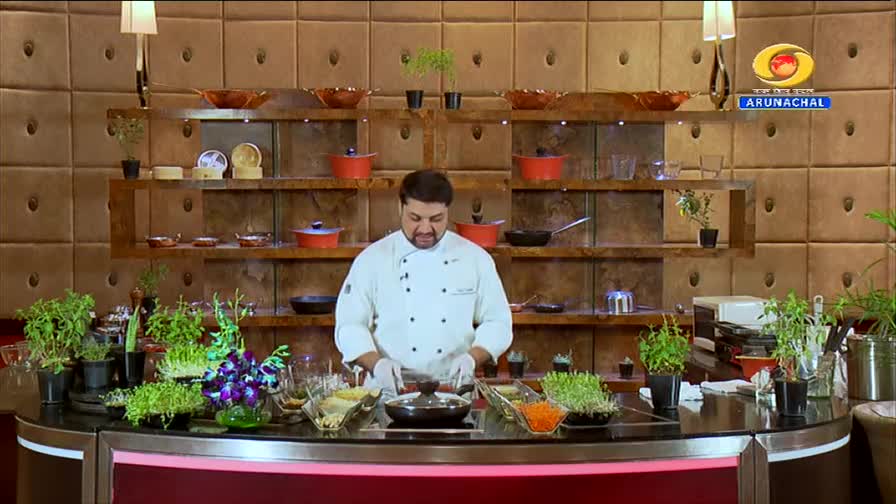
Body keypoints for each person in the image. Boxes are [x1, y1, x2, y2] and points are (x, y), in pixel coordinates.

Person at [335, 169, 513, 396]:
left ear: (448, 211)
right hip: (389, 393)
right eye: (415, 218)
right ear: (400, 208)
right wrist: (377, 364)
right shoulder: (372, 260)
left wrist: (472, 358)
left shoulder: (474, 259)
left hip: (454, 392)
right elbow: (350, 325)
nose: (426, 229)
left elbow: (497, 322)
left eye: (436, 219)